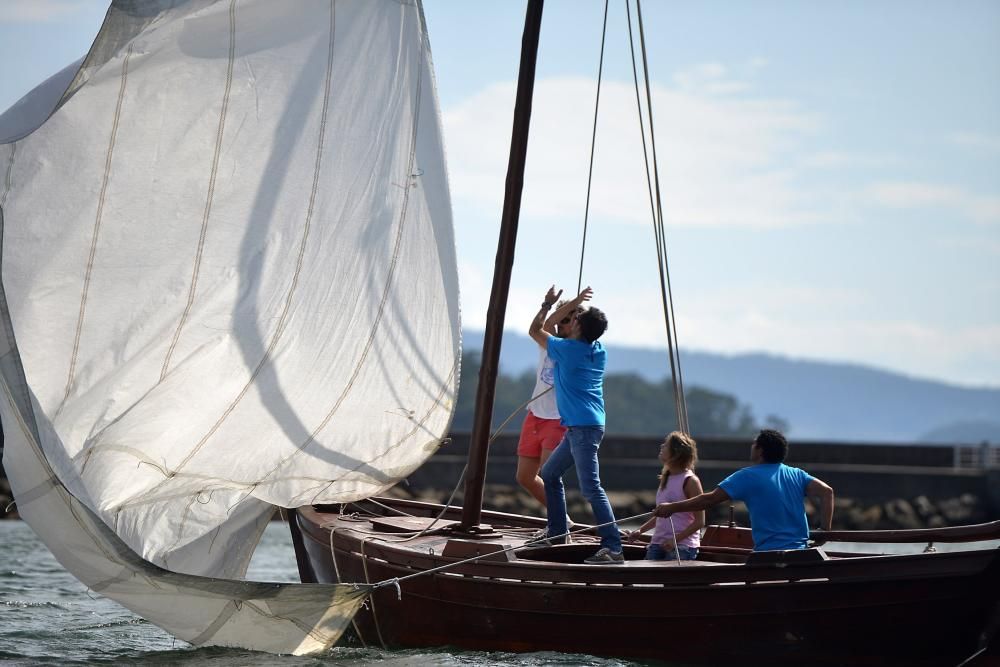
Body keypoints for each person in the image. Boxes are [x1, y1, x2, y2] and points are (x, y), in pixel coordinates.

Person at [526, 285, 623, 565]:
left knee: (591, 488)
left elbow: (537, 329)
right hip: (585, 426)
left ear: (578, 325)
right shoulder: (598, 349)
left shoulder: (567, 349)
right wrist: (577, 306)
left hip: (582, 428)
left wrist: (550, 304)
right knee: (550, 473)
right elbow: (556, 329)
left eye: (576, 317)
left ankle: (613, 547)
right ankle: (557, 531)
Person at [654, 429, 834, 551]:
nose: (751, 447)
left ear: (760, 450)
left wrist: (671, 507)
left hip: (769, 555)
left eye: (754, 444)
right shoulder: (796, 474)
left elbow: (709, 500)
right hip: (802, 553)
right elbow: (827, 492)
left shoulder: (747, 476)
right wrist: (824, 530)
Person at [515, 301, 582, 507]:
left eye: (566, 321)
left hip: (557, 419)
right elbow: (539, 327)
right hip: (535, 416)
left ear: (577, 322)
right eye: (559, 320)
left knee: (549, 474)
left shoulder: (579, 349)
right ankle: (563, 521)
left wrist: (577, 303)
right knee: (525, 477)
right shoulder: (549, 342)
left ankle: (560, 524)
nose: (559, 325)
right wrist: (547, 306)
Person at [627, 431, 705, 560]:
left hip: (682, 546)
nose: (661, 447)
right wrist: (640, 531)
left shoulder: (690, 481)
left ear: (676, 453)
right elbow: (660, 515)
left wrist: (675, 540)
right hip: (657, 543)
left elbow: (700, 521)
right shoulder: (666, 478)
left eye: (666, 445)